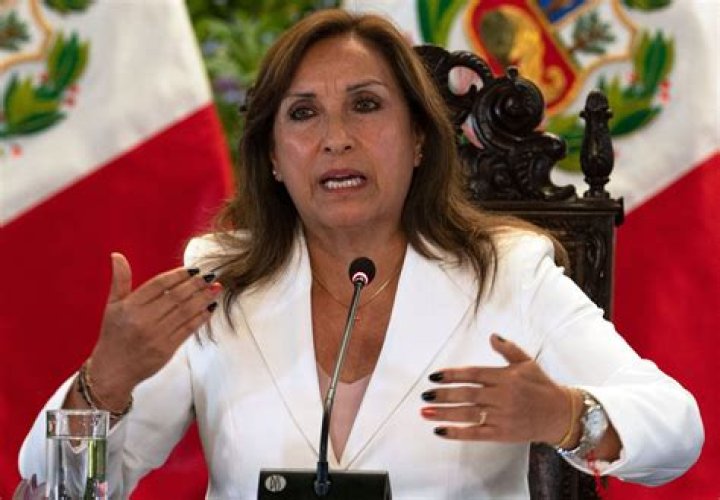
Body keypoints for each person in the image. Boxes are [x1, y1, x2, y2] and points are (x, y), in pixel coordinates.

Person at [19, 8, 703, 499]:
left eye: (366, 105)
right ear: (274, 159)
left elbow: (677, 427)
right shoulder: (219, 280)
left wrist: (567, 416)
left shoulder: (507, 271)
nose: (335, 138)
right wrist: (102, 386)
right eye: (303, 113)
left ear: (419, 140)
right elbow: (53, 492)